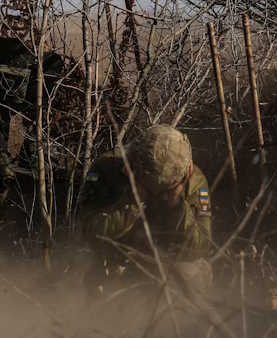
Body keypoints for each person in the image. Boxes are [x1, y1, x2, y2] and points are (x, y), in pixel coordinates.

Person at [79, 124, 213, 290]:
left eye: (165, 187)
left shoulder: (194, 182)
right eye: (150, 185)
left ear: (187, 170)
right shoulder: (106, 170)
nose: (156, 192)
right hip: (120, 260)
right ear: (131, 166)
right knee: (101, 282)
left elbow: (201, 246)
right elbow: (91, 234)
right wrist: (133, 202)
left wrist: (176, 203)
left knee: (194, 274)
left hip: (167, 261)